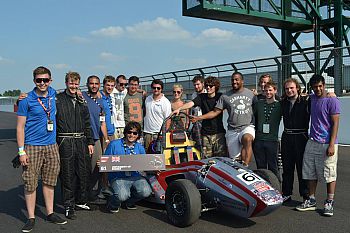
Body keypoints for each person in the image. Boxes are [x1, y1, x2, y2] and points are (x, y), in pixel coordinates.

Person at [17, 66, 66, 232]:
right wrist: (21, 151)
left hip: (51, 146)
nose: (42, 83)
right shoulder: (26, 100)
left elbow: (70, 93)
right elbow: (20, 127)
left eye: (45, 80)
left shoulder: (54, 95)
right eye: (39, 80)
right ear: (34, 81)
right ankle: (31, 217)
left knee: (50, 180)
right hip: (32, 146)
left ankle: (50, 212)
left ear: (50, 81)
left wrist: (80, 94)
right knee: (30, 183)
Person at [296, 74, 340, 217]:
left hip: (327, 142)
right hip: (313, 141)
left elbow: (335, 123)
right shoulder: (312, 98)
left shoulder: (332, 100)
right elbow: (301, 95)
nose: (318, 89)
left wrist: (332, 144)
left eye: (320, 86)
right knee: (309, 171)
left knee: (329, 173)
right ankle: (312, 199)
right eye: (315, 87)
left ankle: (329, 201)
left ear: (324, 85)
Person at [192, 72, 256, 166]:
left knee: (247, 139)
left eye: (237, 79)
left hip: (246, 126)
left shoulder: (251, 94)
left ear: (242, 81)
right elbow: (215, 112)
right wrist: (198, 118)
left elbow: (260, 106)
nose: (234, 82)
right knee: (234, 160)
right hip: (232, 129)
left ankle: (246, 166)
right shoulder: (225, 96)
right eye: (232, 80)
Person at [56, 71, 95, 220]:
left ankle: (81, 200)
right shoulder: (58, 99)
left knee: (83, 172)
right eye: (71, 83)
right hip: (65, 141)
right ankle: (68, 205)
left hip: (81, 140)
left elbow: (87, 123)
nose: (73, 86)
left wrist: (90, 141)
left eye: (76, 83)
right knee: (67, 175)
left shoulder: (81, 100)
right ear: (66, 83)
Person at [172, 76, 227, 158]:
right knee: (206, 158)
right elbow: (191, 103)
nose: (208, 87)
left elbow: (214, 113)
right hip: (205, 133)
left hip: (219, 133)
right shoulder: (201, 97)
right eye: (207, 85)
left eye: (211, 86)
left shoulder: (220, 97)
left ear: (216, 87)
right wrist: (179, 109)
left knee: (221, 158)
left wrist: (198, 118)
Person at [105, 121, 152, 212]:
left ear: (138, 135)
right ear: (125, 132)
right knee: (122, 195)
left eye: (135, 133)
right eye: (129, 132)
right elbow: (106, 161)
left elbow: (145, 163)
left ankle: (129, 202)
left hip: (135, 176)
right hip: (118, 177)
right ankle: (113, 202)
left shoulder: (140, 147)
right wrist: (105, 182)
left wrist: (154, 168)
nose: (132, 135)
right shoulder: (114, 144)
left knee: (146, 192)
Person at [280, 78, 309, 203]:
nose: (289, 90)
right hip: (287, 137)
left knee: (302, 168)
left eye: (291, 88)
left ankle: (305, 196)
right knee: (287, 168)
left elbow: (320, 98)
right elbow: (269, 96)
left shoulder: (306, 101)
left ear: (297, 87)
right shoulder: (282, 102)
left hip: (301, 137)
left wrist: (331, 94)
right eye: (287, 88)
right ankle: (286, 193)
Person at [82, 75, 110, 202]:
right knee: (83, 167)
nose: (94, 86)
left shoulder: (102, 102)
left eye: (96, 84)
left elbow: (102, 122)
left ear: (99, 85)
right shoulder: (81, 96)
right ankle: (81, 192)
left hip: (96, 138)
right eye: (91, 83)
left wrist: (106, 138)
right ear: (87, 84)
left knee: (97, 166)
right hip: (82, 138)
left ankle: (93, 193)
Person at [253, 81, 281, 177]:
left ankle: (276, 187)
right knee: (261, 167)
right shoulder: (259, 104)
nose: (268, 92)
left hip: (272, 140)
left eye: (270, 90)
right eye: (266, 90)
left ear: (275, 91)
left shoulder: (279, 105)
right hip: (259, 139)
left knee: (273, 166)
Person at [143, 79, 172, 152]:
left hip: (158, 135)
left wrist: (164, 134)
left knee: (158, 156)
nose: (156, 89)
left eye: (158, 88)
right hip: (147, 134)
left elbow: (168, 119)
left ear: (161, 89)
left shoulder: (165, 102)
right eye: (154, 88)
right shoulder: (147, 99)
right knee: (147, 155)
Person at [100, 75, 116, 150]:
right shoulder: (99, 97)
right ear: (104, 85)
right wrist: (106, 138)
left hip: (111, 132)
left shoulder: (109, 97)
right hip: (104, 134)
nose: (110, 87)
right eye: (108, 85)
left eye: (112, 86)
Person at [111, 75, 128, 139]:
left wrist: (142, 91)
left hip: (122, 124)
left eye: (125, 84)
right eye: (121, 84)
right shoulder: (111, 90)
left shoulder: (125, 91)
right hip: (114, 125)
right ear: (116, 84)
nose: (123, 86)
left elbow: (132, 88)